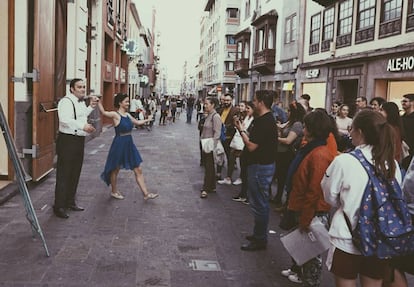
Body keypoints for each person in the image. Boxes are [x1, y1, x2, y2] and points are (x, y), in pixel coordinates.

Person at [321, 110, 402, 287]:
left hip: (346, 237)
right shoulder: (391, 163)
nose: (349, 133)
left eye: (351, 129)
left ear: (360, 132)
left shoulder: (344, 161)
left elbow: (329, 197)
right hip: (380, 237)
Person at [280, 109, 335, 286]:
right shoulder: (311, 146)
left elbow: (314, 189)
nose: (303, 129)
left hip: (312, 209)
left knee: (311, 249)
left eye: (305, 126)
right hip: (301, 204)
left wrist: (306, 216)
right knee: (301, 242)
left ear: (311, 129)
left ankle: (311, 281)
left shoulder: (319, 153)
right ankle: (297, 269)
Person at [235, 90, 278, 251]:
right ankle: (258, 234)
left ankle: (260, 238)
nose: (252, 103)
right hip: (261, 166)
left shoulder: (264, 121)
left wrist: (240, 130)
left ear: (260, 102)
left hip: (260, 167)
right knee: (259, 202)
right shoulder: (265, 120)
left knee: (259, 203)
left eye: (254, 100)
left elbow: (252, 146)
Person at [98, 93, 158, 201]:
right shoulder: (115, 115)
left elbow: (137, 122)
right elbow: (103, 112)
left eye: (128, 101)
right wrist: (98, 101)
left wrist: (148, 120)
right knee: (115, 169)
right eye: (126, 101)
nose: (128, 103)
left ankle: (146, 194)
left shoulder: (128, 115)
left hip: (129, 144)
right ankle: (114, 191)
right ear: (120, 103)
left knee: (138, 169)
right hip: (119, 144)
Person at [53, 78, 99, 219]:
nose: (83, 89)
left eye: (84, 87)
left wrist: (91, 106)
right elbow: (65, 119)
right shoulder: (65, 102)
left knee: (75, 172)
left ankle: (70, 201)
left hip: (78, 140)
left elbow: (81, 116)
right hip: (67, 141)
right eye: (79, 87)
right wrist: (83, 126)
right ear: (72, 88)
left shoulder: (79, 103)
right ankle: (59, 206)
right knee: (64, 174)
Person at [273, 101, 306, 210]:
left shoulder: (297, 124)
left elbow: (288, 140)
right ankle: (278, 198)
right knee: (280, 177)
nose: (287, 112)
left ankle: (286, 204)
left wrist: (275, 138)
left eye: (289, 111)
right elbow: (282, 128)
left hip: (288, 154)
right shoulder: (290, 122)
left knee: (286, 178)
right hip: (281, 153)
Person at [232, 101, 255, 203]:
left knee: (248, 173)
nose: (246, 110)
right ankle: (243, 193)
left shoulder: (254, 121)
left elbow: (249, 133)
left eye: (248, 108)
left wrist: (242, 129)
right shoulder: (247, 118)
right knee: (244, 171)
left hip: (249, 146)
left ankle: (247, 195)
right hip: (244, 145)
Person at [199, 97, 222, 198]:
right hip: (205, 143)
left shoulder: (215, 116)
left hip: (210, 144)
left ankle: (206, 188)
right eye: (205, 103)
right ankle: (212, 186)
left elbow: (217, 132)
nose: (205, 105)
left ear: (213, 105)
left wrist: (213, 145)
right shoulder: (208, 115)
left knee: (208, 166)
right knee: (210, 166)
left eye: (207, 104)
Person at [217, 93, 238, 184]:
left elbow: (235, 123)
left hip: (229, 136)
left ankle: (229, 177)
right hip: (220, 136)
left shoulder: (235, 110)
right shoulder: (221, 109)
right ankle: (218, 173)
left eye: (228, 100)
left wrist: (226, 127)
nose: (226, 102)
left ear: (232, 100)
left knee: (230, 157)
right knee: (219, 154)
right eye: (225, 100)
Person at [401, 94, 414, 170]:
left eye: (405, 101)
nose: (403, 103)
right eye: (402, 101)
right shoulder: (401, 118)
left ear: (412, 103)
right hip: (403, 154)